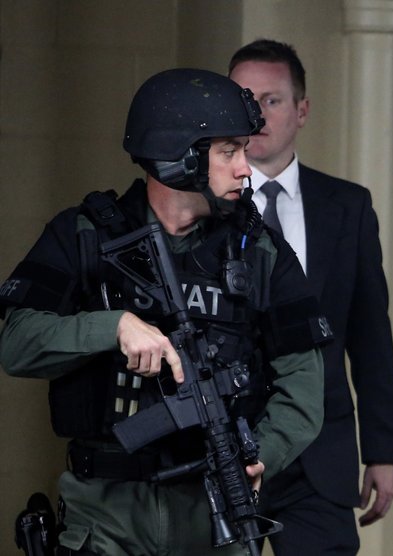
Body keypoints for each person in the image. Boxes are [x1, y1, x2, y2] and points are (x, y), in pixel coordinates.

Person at [0, 68, 327, 556]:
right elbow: (16, 344)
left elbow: (304, 388)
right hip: (106, 514)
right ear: (180, 158)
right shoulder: (86, 235)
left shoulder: (259, 252)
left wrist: (258, 459)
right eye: (228, 152)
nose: (245, 168)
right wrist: (112, 328)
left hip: (213, 512)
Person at [227, 39, 393, 554]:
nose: (255, 112)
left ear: (302, 110)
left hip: (320, 456)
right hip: (227, 450)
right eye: (243, 97)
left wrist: (382, 450)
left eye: (272, 99)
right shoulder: (204, 204)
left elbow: (371, 336)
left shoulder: (347, 207)